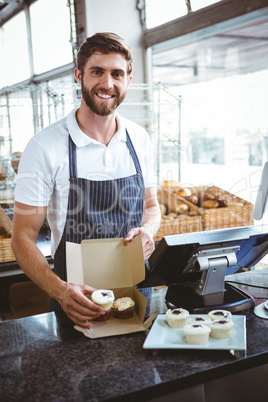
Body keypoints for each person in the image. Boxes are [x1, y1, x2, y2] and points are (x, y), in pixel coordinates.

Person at [11, 32, 161, 328]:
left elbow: (152, 206)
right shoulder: (44, 147)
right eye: (97, 72)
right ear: (79, 75)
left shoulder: (139, 139)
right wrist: (60, 291)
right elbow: (22, 237)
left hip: (136, 294)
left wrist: (147, 229)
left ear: (128, 79)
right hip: (75, 301)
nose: (107, 83)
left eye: (117, 73)